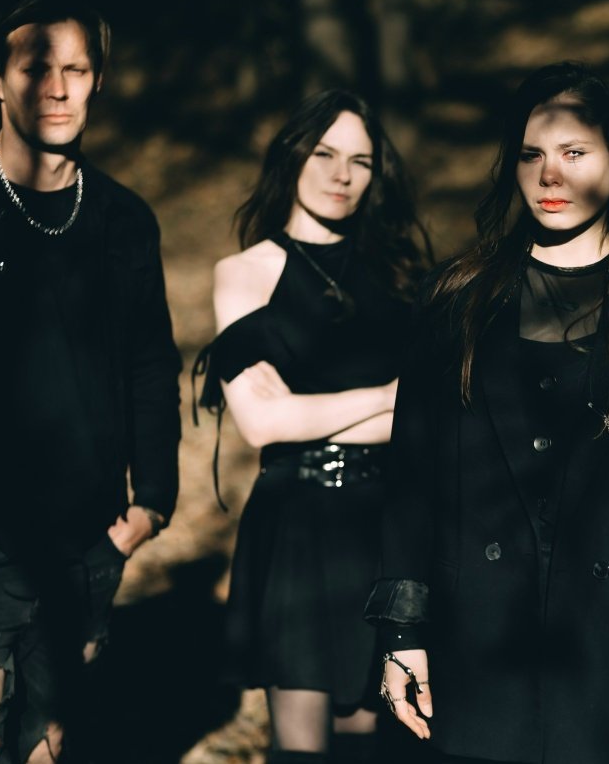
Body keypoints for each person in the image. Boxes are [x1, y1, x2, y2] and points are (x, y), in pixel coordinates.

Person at [364, 61, 609, 764]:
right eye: (531, 154)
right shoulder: (455, 301)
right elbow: (413, 478)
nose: (550, 175)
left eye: (573, 152)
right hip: (479, 650)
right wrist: (402, 634)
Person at [0, 0, 181, 763]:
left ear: (98, 81)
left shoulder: (123, 221)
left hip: (85, 542)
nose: (58, 89)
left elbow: (150, 363)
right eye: (36, 69)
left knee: (52, 747)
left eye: (77, 70)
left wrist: (151, 502)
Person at [196, 89, 430, 764]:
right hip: (297, 523)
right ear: (292, 158)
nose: (341, 174)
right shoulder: (247, 273)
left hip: (385, 522)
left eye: (360, 161)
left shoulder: (401, 276)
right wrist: (386, 397)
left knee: (370, 743)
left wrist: (323, 411)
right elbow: (263, 422)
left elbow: (432, 416)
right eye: (324, 154)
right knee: (302, 750)